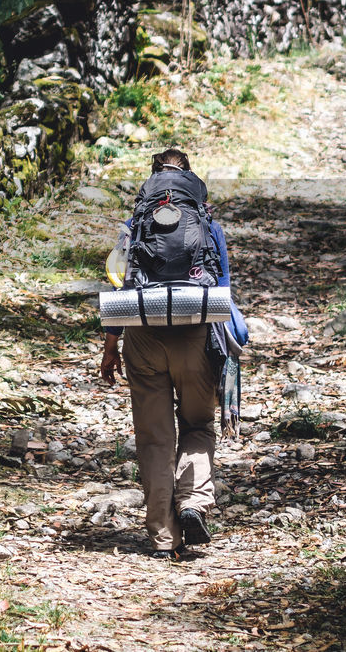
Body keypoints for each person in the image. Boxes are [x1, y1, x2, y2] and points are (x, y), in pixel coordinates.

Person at [99, 149, 248, 559]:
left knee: (155, 438)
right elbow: (224, 288)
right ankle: (194, 502)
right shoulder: (208, 225)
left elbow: (119, 282)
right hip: (197, 334)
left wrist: (111, 345)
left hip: (144, 337)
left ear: (151, 181)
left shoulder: (135, 224)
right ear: (191, 180)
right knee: (198, 424)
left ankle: (164, 538)